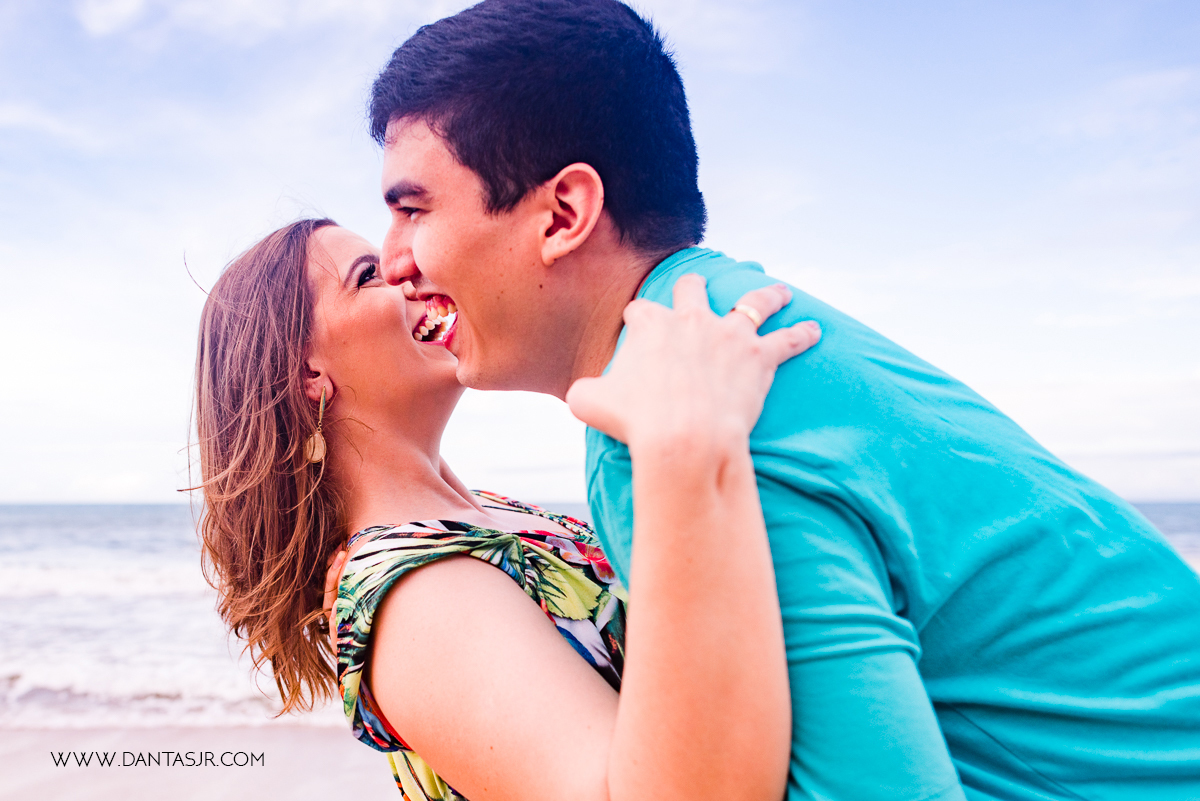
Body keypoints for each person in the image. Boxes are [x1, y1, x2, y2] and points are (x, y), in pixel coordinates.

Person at [363, 1, 1200, 799]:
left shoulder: (684, 407)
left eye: (413, 209)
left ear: (564, 213)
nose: (395, 257)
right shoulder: (725, 323)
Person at [194, 217, 821, 800]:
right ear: (307, 374)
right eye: (369, 277)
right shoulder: (418, 596)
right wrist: (694, 442)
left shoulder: (487, 519)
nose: (408, 270)